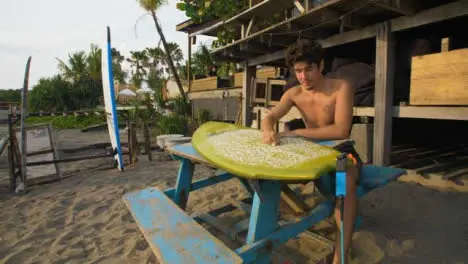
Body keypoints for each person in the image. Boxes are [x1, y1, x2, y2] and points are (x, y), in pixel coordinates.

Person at [261, 39, 362, 264]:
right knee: (265, 171)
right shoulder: (294, 93)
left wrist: (297, 133)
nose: (303, 77)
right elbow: (270, 115)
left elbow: (341, 129)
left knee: (344, 184)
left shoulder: (341, 87)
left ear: (321, 65)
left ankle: (340, 257)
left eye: (309, 69)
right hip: (310, 151)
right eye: (298, 71)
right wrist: (268, 128)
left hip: (341, 151)